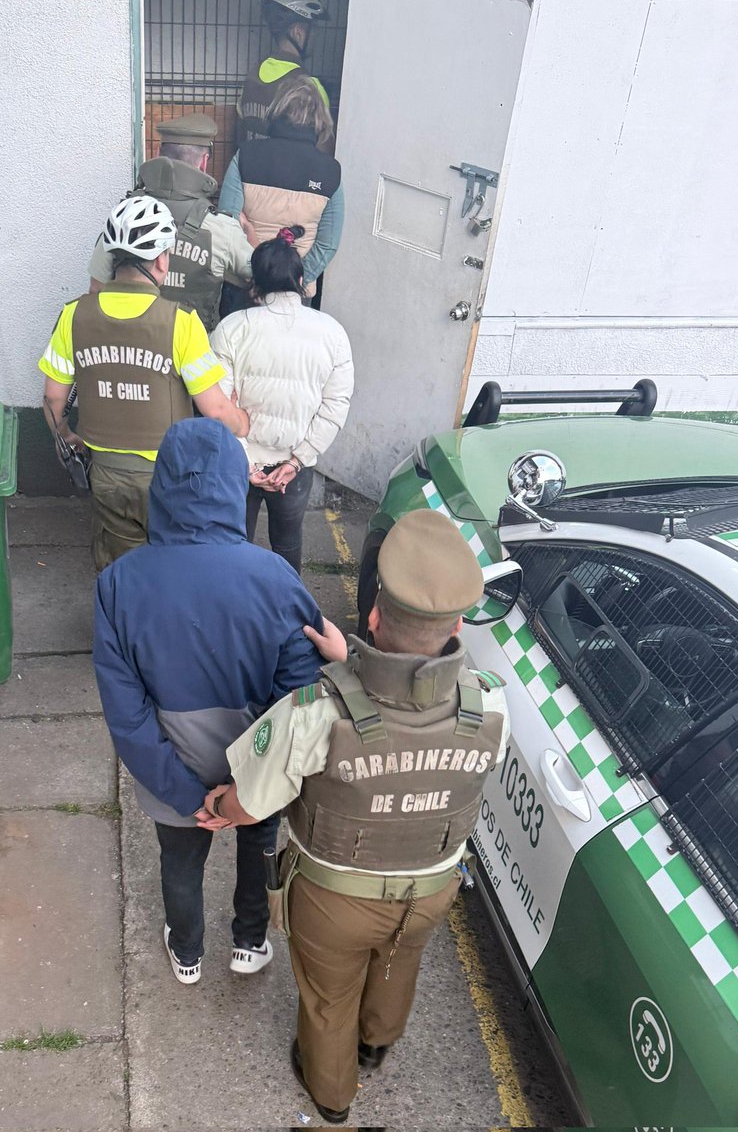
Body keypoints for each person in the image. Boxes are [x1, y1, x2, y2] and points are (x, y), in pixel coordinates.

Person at [199, 509, 511, 1123]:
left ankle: (333, 1095)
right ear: (455, 624)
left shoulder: (317, 709)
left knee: (325, 998)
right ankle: (375, 1043)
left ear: (372, 615)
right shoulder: (490, 703)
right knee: (398, 958)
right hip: (431, 888)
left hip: (334, 898)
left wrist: (218, 809)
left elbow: (252, 799)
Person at [92, 417, 345, 983]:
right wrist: (249, 783)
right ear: (237, 486)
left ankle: (187, 952)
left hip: (172, 775)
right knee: (259, 846)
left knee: (179, 862)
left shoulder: (118, 583)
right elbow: (299, 693)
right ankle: (250, 941)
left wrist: (189, 796)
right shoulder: (276, 576)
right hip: (258, 770)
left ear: (161, 488)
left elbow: (126, 715)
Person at [39, 196, 248, 570]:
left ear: (113, 259)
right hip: (171, 476)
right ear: (162, 260)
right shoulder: (181, 323)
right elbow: (215, 411)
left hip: (105, 471)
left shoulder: (74, 316)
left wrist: (66, 438)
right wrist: (242, 422)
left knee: (119, 570)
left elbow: (53, 397)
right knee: (172, 567)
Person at [210, 228, 353, 573]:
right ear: (301, 280)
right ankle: (288, 616)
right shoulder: (332, 332)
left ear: (253, 283)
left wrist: (246, 463)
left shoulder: (232, 328)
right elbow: (335, 406)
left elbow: (217, 404)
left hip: (237, 465)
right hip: (294, 467)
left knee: (232, 545)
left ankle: (231, 617)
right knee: (287, 544)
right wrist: (297, 461)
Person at [87, 114, 253, 331]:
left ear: (158, 155)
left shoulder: (125, 221)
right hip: (196, 357)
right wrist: (251, 233)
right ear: (203, 163)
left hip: (134, 352)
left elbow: (96, 290)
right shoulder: (223, 228)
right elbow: (261, 278)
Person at [220, 75, 344, 303]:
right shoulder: (330, 171)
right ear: (320, 119)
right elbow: (328, 244)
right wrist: (295, 280)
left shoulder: (247, 155)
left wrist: (258, 278)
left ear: (276, 110)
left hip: (245, 286)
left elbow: (228, 222)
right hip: (296, 291)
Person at [237, 0, 334, 152]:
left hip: (248, 174)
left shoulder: (252, 76)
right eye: (314, 29)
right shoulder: (311, 88)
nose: (316, 36)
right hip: (289, 177)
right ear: (298, 32)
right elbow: (323, 153)